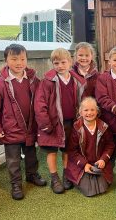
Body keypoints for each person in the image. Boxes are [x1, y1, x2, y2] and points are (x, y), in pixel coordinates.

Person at [0, 44, 47, 200]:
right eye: (14, 59)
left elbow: (42, 100)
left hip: (30, 127)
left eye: (22, 59)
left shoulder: (33, 80)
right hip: (10, 129)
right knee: (13, 159)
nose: (19, 62)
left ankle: (32, 175)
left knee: (31, 154)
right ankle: (16, 184)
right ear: (6, 60)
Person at [34, 48, 83, 194]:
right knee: (52, 150)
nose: (60, 65)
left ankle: (66, 175)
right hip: (53, 124)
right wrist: (45, 124)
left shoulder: (76, 81)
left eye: (63, 62)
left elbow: (80, 102)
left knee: (67, 150)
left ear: (70, 62)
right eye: (56, 63)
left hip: (70, 123)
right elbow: (39, 104)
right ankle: (55, 178)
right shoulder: (47, 82)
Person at [65, 97, 115, 197]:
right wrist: (84, 164)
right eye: (86, 110)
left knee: (102, 187)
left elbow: (110, 145)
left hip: (98, 163)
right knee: (89, 190)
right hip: (82, 164)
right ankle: (74, 176)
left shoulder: (104, 126)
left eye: (92, 109)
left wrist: (103, 160)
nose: (89, 113)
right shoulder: (76, 127)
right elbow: (72, 151)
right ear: (80, 112)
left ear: (97, 111)